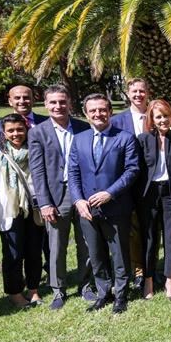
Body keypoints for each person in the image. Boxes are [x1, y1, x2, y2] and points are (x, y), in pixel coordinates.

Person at [68, 93, 140, 314]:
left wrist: (110, 193)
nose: (98, 114)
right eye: (93, 111)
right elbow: (73, 172)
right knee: (96, 254)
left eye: (102, 110)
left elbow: (132, 170)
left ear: (110, 111)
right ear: (86, 114)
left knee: (118, 253)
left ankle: (120, 294)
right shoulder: (79, 139)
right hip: (87, 210)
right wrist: (78, 200)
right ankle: (103, 292)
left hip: (116, 207)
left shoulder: (125, 138)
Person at [27, 84, 93, 310]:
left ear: (69, 103)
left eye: (62, 102)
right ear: (45, 105)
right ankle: (58, 290)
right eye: (53, 102)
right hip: (56, 197)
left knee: (86, 241)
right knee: (57, 246)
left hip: (83, 193)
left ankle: (86, 285)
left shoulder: (84, 128)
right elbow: (37, 171)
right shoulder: (38, 132)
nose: (58, 106)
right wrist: (44, 203)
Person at [0, 114, 45, 308]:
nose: (16, 134)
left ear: (26, 129)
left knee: (34, 251)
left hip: (34, 207)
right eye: (11, 131)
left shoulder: (35, 151)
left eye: (20, 129)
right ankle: (15, 292)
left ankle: (33, 290)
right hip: (9, 210)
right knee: (13, 253)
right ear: (4, 134)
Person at [137, 99, 171, 300]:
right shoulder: (143, 139)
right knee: (149, 239)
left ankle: (169, 278)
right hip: (148, 194)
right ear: (152, 119)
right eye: (159, 116)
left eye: (166, 116)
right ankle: (148, 278)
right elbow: (137, 171)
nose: (163, 120)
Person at [109, 77, 150, 290]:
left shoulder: (155, 115)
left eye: (142, 91)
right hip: (128, 182)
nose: (138, 95)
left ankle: (153, 267)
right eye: (134, 91)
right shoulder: (117, 121)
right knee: (133, 229)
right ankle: (138, 270)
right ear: (128, 93)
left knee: (152, 227)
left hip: (153, 181)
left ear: (147, 92)